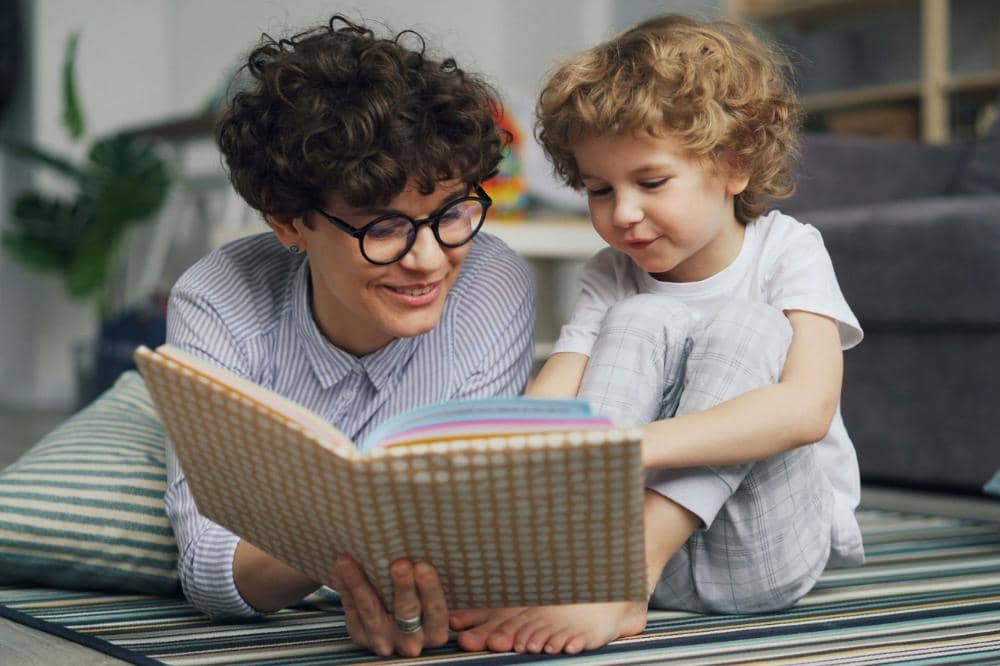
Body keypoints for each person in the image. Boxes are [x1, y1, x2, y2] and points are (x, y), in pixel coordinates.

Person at [449, 14, 865, 655]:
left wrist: (626, 447)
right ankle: (599, 576)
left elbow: (807, 411)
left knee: (748, 324)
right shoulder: (612, 274)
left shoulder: (787, 249)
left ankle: (626, 576)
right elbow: (554, 403)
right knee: (641, 316)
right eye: (598, 189)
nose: (623, 213)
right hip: (615, 549)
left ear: (736, 165)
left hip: (761, 549)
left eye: (650, 182)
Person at [162, 15, 535, 658]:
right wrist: (369, 538)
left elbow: (473, 535)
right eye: (383, 228)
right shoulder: (218, 298)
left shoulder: (493, 279)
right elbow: (209, 568)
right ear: (288, 222)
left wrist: (373, 556)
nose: (428, 260)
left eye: (450, 213)